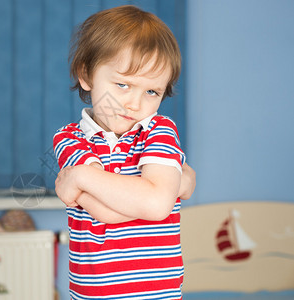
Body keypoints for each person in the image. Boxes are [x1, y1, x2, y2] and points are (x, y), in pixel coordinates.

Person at [53, 5, 196, 300]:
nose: (134, 103)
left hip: (159, 294)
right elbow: (107, 212)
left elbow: (156, 204)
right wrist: (168, 187)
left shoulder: (159, 130)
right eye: (122, 84)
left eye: (152, 92)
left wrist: (81, 176)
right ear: (86, 74)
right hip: (95, 294)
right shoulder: (69, 138)